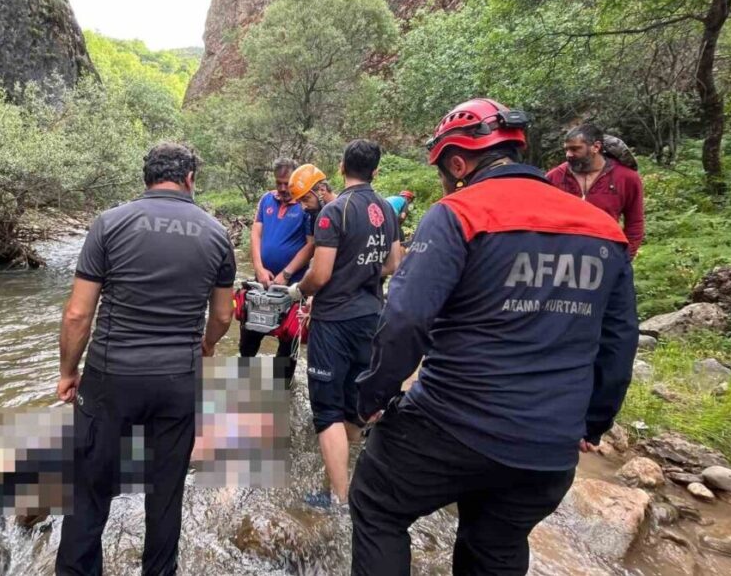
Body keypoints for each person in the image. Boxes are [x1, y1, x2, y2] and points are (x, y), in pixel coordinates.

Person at [350, 99, 638, 576]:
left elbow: (404, 319)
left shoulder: (459, 212)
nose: (444, 180)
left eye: (444, 170)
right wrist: (592, 423)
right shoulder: (605, 229)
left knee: (378, 505)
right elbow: (619, 340)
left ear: (458, 163)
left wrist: (373, 394)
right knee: (496, 546)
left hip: (450, 423)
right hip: (548, 449)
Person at [55, 143, 236, 576]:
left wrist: (68, 372)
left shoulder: (110, 223)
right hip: (178, 379)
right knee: (165, 493)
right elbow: (225, 314)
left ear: (147, 178)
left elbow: (79, 313)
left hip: (111, 375)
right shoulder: (216, 233)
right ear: (190, 178)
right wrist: (206, 345)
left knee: (88, 491)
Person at [285, 140, 402, 507]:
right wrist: (361, 275)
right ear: (376, 171)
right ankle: (345, 481)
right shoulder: (387, 207)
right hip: (372, 316)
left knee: (327, 410)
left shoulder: (334, 212)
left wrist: (297, 291)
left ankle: (337, 498)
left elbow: (319, 275)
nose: (305, 205)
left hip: (335, 319)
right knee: (354, 403)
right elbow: (393, 264)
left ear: (339, 168)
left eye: (305, 199)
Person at [244, 158, 315, 366]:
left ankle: (282, 391)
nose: (283, 188)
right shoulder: (266, 199)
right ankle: (242, 388)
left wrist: (286, 274)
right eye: (279, 183)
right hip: (262, 284)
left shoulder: (306, 204)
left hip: (293, 287)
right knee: (248, 340)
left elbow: (311, 245)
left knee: (287, 348)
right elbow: (256, 233)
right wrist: (258, 267)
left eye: (287, 183)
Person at [546, 124, 645, 258]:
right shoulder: (554, 177)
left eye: (575, 149)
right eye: (566, 149)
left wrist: (625, 257)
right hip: (562, 257)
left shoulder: (626, 178)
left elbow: (635, 223)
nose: (568, 154)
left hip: (605, 255)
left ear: (596, 147)